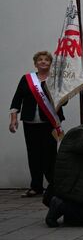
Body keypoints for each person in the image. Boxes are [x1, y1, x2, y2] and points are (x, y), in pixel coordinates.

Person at [9, 51, 64, 198]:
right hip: (30, 122)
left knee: (50, 154)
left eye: (46, 60)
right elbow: (17, 99)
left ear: (50, 63)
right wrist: (13, 118)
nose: (43, 62)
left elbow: (64, 100)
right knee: (33, 154)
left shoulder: (55, 79)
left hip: (49, 123)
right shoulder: (27, 79)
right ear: (35, 63)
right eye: (40, 60)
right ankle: (36, 186)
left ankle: (53, 186)